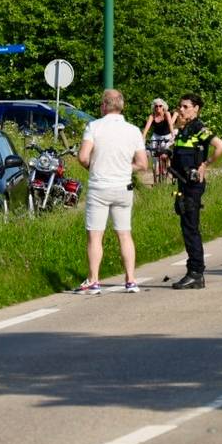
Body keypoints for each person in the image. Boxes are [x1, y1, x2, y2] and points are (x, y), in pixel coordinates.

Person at [75, 89, 148, 295]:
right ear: (122, 106)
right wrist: (125, 168)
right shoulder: (133, 130)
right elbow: (143, 164)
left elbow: (82, 156)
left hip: (100, 187)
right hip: (123, 187)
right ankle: (131, 280)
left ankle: (94, 280)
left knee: (95, 236)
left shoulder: (94, 127)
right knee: (124, 234)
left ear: (104, 106)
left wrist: (95, 166)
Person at [170, 92, 222, 290]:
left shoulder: (198, 128)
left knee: (191, 228)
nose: (181, 109)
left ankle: (196, 272)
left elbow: (221, 147)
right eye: (180, 106)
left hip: (192, 185)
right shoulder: (184, 129)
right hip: (183, 183)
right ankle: (194, 271)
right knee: (187, 227)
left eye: (186, 106)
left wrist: (206, 164)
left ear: (196, 108)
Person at [143, 98, 178, 184]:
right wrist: (143, 137)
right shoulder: (152, 116)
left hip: (167, 135)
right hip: (156, 136)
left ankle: (166, 173)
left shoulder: (167, 114)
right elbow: (146, 128)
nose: (158, 107)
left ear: (163, 107)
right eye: (156, 106)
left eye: (160, 106)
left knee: (164, 156)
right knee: (155, 158)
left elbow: (170, 125)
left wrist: (173, 136)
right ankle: (155, 180)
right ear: (154, 107)